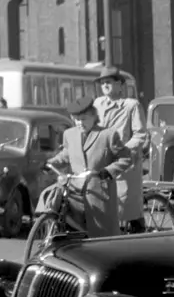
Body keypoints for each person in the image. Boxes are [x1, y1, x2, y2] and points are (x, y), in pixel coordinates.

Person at [41, 94, 132, 236]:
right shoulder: (69, 134)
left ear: (94, 117)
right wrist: (51, 163)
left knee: (101, 233)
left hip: (99, 192)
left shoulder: (108, 135)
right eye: (76, 119)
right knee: (53, 199)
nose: (79, 123)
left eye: (83, 119)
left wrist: (108, 171)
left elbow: (126, 158)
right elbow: (67, 154)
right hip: (75, 189)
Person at [93, 67, 147, 233]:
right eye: (102, 83)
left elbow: (140, 134)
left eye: (109, 82)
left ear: (120, 84)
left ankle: (140, 233)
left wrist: (124, 150)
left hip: (125, 163)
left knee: (128, 206)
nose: (105, 85)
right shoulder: (97, 104)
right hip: (102, 161)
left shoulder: (131, 105)